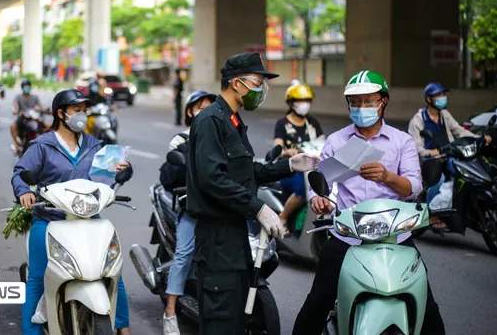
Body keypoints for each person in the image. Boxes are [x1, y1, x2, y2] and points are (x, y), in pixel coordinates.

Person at [292, 70, 446, 335]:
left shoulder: (401, 142)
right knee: (316, 304)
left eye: (368, 101)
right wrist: (319, 199)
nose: (362, 107)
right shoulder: (337, 141)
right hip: (348, 236)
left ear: (383, 102)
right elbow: (322, 184)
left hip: (394, 237)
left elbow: (414, 188)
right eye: (356, 102)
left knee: (428, 311)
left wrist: (387, 177)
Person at [186, 53, 319, 335]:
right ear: (237, 84)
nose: (261, 90)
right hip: (217, 238)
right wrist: (258, 207)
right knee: (221, 321)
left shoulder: (232, 120)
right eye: (258, 83)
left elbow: (246, 172)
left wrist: (290, 165)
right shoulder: (211, 120)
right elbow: (213, 179)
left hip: (235, 235)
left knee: (238, 317)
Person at [11, 89, 132, 335]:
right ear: (61, 113)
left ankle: (122, 326)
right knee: (37, 278)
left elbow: (106, 173)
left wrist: (121, 168)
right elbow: (19, 173)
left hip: (88, 218)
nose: (82, 114)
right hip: (50, 219)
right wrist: (24, 190)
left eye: (84, 110)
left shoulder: (93, 144)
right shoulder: (42, 145)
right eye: (77, 110)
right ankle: (30, 332)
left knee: (112, 273)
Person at [162, 90, 216, 335]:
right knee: (183, 254)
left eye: (210, 107)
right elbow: (171, 175)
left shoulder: (223, 136)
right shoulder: (181, 140)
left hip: (221, 210)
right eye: (200, 107)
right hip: (192, 208)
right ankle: (170, 310)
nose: (205, 111)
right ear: (190, 111)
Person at [408, 82, 492, 204]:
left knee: (466, 172)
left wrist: (478, 138)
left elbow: (459, 131)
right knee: (439, 180)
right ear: (429, 99)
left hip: (449, 154)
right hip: (431, 160)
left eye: (443, 94)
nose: (443, 98)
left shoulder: (444, 114)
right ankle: (430, 212)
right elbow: (416, 147)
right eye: (439, 95)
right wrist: (431, 152)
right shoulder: (418, 120)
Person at [273, 83, 325, 233]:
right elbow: (278, 147)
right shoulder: (282, 124)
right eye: (300, 101)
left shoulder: (312, 123)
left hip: (313, 167)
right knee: (304, 190)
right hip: (291, 170)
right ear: (290, 103)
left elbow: (323, 141)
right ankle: (282, 217)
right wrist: (287, 152)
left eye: (307, 101)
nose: (304, 105)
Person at [10, 79, 45, 154]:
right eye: (25, 86)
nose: (27, 88)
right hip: (22, 118)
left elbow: (41, 107)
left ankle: (45, 146)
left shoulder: (35, 97)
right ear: (22, 88)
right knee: (12, 126)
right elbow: (14, 106)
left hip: (33, 118)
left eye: (28, 86)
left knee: (47, 127)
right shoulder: (18, 97)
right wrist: (16, 111)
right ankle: (17, 146)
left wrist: (44, 110)